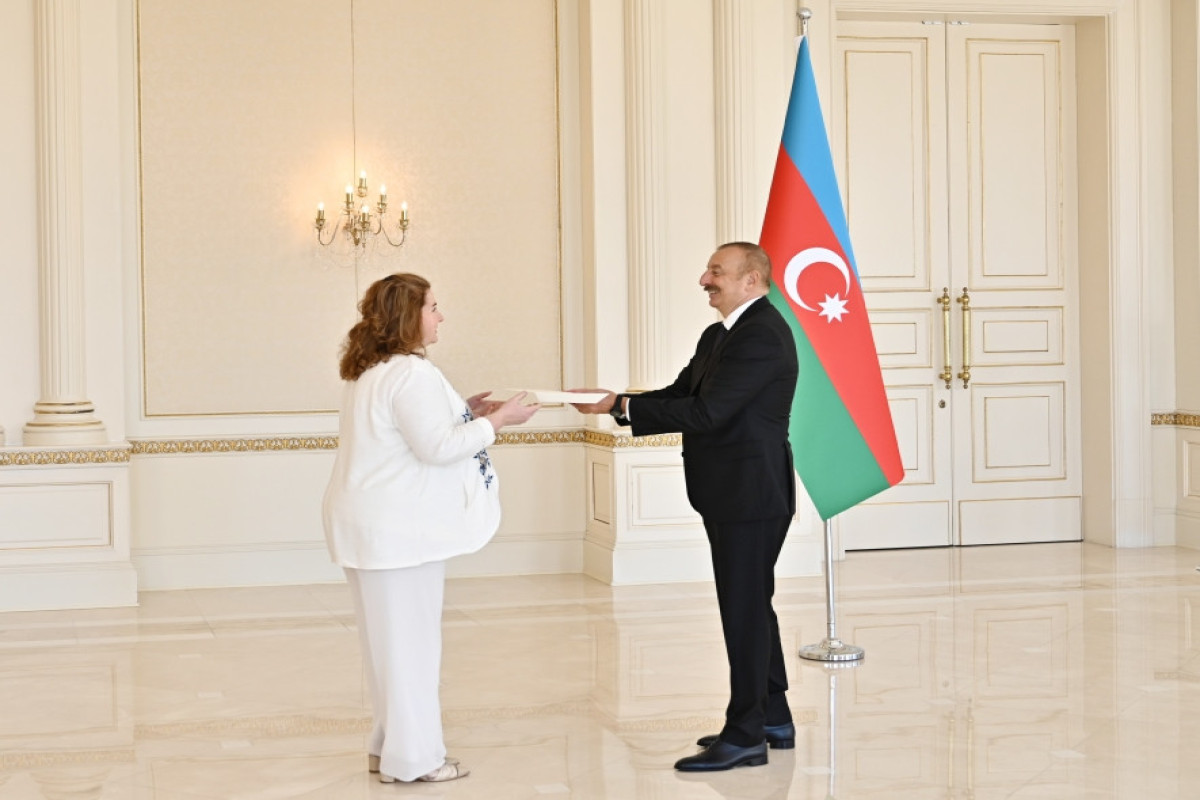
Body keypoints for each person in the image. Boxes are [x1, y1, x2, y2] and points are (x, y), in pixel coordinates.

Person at [571, 242, 799, 772]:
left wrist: (621, 406)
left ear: (751, 280)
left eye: (717, 271)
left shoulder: (762, 335)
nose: (704, 279)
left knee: (744, 611)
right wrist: (615, 402)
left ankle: (745, 736)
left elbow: (709, 412)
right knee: (752, 605)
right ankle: (772, 717)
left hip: (750, 495)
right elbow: (682, 392)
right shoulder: (720, 335)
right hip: (732, 491)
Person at [322, 272, 539, 783]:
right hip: (397, 532)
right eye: (433, 307)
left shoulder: (370, 371)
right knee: (412, 649)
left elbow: (411, 432)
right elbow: (438, 448)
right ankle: (414, 760)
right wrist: (499, 420)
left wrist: (466, 412)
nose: (441, 316)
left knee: (387, 647)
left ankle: (387, 747)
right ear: (409, 315)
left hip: (370, 525)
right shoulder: (411, 373)